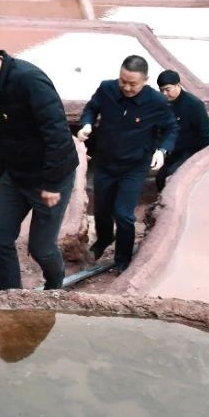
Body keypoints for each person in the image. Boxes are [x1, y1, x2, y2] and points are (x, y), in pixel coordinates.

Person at [0, 31, 79, 291]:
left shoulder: (30, 80)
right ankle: (11, 298)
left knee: (41, 249)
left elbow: (58, 136)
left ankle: (55, 287)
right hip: (16, 174)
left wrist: (52, 184)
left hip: (50, 178)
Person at [77, 55, 177, 273]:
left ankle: (122, 261)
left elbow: (170, 128)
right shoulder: (107, 89)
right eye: (123, 81)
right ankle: (103, 239)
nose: (127, 87)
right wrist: (87, 124)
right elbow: (91, 108)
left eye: (133, 84)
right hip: (106, 160)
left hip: (134, 165)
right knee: (102, 208)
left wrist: (162, 150)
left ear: (145, 80)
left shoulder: (156, 102)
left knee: (123, 214)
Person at [155, 70, 209, 192]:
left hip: (191, 151)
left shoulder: (194, 105)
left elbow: (207, 135)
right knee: (160, 178)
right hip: (172, 151)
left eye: (168, 89)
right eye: (161, 90)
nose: (164, 93)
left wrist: (204, 160)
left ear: (178, 85)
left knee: (172, 178)